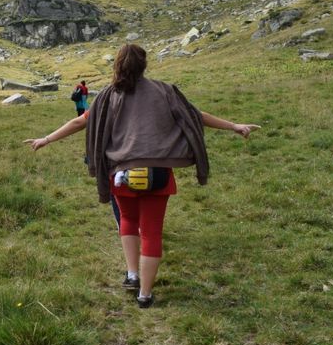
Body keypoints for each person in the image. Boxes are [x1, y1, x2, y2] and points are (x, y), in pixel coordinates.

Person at [26, 44, 260, 308]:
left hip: (121, 173)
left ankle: (132, 274)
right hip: (158, 173)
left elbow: (80, 121)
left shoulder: (107, 96)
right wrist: (234, 126)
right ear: (144, 65)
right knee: (152, 232)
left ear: (117, 65)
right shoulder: (165, 91)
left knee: (127, 220)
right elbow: (196, 115)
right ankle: (145, 295)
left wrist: (46, 139)